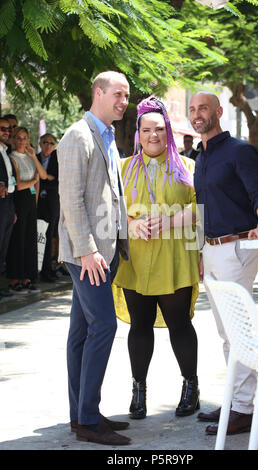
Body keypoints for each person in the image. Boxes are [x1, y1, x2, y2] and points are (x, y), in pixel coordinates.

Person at [189, 92, 258, 435]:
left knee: (239, 330)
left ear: (218, 112)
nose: (197, 114)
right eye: (192, 109)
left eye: (203, 108)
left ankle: (244, 409)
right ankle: (238, 403)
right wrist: (198, 251)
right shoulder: (200, 157)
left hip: (237, 247)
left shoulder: (240, 150)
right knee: (227, 332)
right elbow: (202, 209)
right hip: (211, 250)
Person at [113, 97, 200, 420]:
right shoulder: (122, 169)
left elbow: (202, 211)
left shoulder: (188, 168)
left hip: (176, 260)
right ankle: (139, 390)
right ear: (138, 132)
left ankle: (191, 387)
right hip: (135, 261)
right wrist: (131, 223)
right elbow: (108, 210)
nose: (153, 136)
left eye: (160, 129)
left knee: (180, 324)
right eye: (147, 130)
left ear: (169, 132)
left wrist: (171, 221)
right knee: (139, 325)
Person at [57, 70, 131, 446]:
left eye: (127, 96)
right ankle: (87, 420)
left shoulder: (107, 135)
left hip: (104, 250)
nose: (123, 101)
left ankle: (81, 415)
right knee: (104, 326)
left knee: (81, 333)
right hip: (88, 255)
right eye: (118, 94)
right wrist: (86, 250)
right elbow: (70, 199)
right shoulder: (77, 136)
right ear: (98, 93)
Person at [6, 127, 45, 294]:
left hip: (30, 202)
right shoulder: (11, 158)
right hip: (18, 201)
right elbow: (19, 185)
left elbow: (40, 178)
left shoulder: (31, 158)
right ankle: (15, 279)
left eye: (25, 138)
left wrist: (34, 200)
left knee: (30, 241)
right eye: (19, 138)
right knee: (18, 241)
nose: (22, 141)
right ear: (14, 140)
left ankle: (28, 278)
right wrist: (32, 182)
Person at [37, 134, 60, 282]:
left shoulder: (57, 161)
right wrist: (47, 178)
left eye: (52, 143)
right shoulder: (35, 158)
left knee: (49, 238)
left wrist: (43, 179)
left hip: (51, 205)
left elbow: (57, 181)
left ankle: (47, 270)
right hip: (36, 204)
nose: (48, 146)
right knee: (36, 238)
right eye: (45, 142)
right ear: (40, 143)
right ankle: (34, 271)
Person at [0, 117, 16, 300]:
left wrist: (13, 210)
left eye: (8, 129)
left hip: (8, 205)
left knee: (3, 248)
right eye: (2, 129)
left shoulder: (6, 151)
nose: (7, 132)